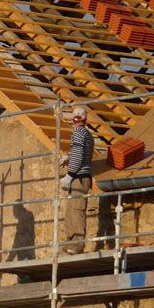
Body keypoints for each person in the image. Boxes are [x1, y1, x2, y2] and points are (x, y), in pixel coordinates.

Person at [62, 107, 96, 254]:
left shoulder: (78, 132)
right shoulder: (86, 134)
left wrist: (69, 174)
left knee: (76, 210)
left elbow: (78, 155)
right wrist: (68, 156)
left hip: (79, 177)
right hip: (80, 176)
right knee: (71, 210)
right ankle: (70, 242)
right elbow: (78, 151)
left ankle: (77, 243)